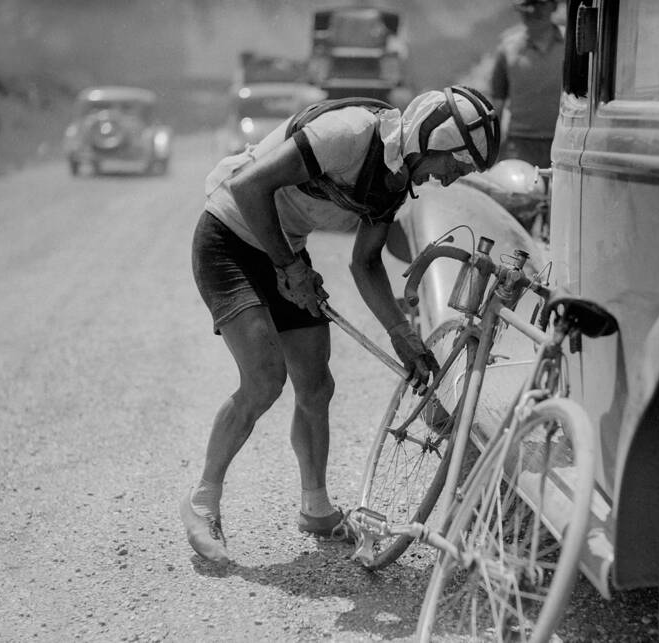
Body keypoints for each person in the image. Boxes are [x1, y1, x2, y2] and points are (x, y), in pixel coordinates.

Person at [180, 86, 501, 564]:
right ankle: (202, 501)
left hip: (281, 243)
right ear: (433, 140)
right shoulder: (348, 134)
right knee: (266, 379)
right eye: (455, 166)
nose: (450, 180)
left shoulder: (395, 180)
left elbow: (365, 262)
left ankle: (315, 507)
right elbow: (249, 188)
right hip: (230, 236)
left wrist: (403, 336)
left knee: (316, 384)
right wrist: (290, 270)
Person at [488, 0, 564, 169]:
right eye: (527, 6)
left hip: (564, 143)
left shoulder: (572, 46)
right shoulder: (508, 47)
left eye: (541, 5)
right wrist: (492, 147)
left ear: (554, 6)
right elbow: (497, 101)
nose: (533, 11)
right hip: (520, 146)